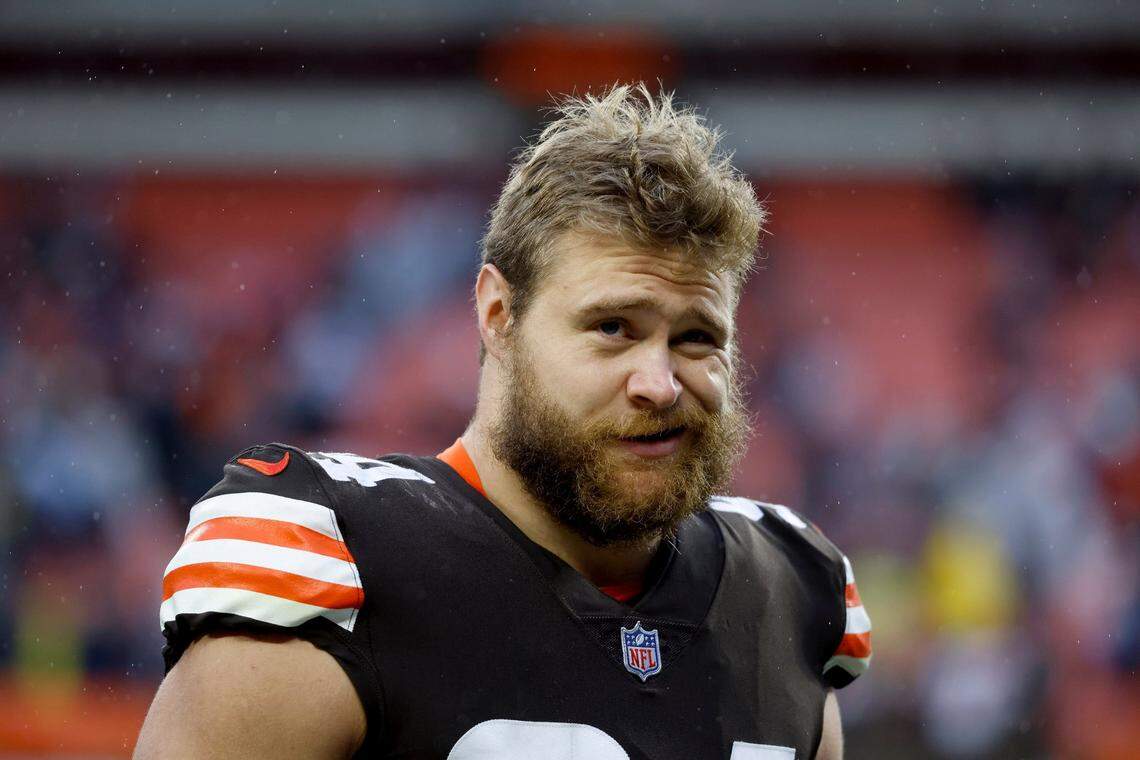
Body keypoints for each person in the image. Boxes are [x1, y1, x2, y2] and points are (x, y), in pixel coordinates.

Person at [135, 84, 871, 760]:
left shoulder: (785, 592)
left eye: (696, 339)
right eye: (613, 327)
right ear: (498, 315)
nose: (659, 383)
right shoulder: (335, 557)